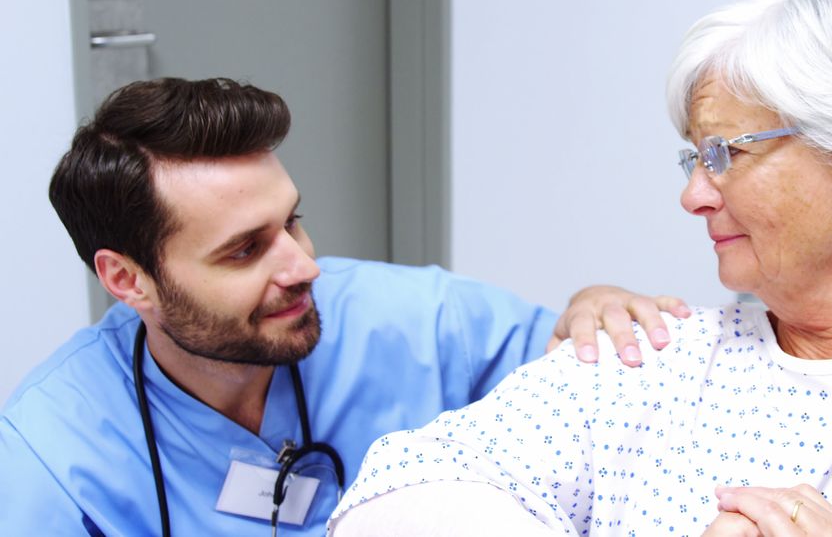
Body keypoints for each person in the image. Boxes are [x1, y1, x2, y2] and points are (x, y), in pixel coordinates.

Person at [328, 0, 832, 536]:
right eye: (693, 156)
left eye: (724, 152)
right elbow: (401, 488)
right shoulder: (645, 361)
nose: (693, 196)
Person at [0, 77, 689, 535]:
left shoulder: (405, 317)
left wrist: (591, 304)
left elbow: (576, 361)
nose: (304, 267)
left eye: (292, 222)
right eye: (244, 251)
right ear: (127, 281)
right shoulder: (52, 456)